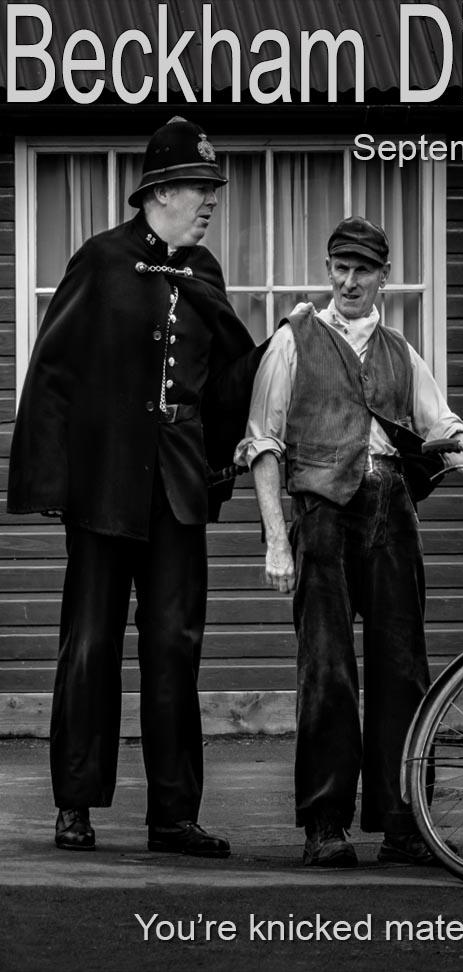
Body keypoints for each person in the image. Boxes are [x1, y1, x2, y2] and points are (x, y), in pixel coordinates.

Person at [7, 117, 267, 857]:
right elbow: (53, 373)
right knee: (90, 644)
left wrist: (278, 357)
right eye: (200, 188)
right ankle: (75, 804)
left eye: (214, 189)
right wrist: (53, 481)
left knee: (174, 648)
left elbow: (224, 381)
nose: (211, 201)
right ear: (160, 192)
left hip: (177, 490)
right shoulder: (101, 260)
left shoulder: (204, 270)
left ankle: (173, 817)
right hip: (103, 488)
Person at [234, 216, 463, 867]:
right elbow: (263, 443)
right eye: (340, 268)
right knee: (326, 671)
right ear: (329, 271)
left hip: (390, 511)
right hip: (321, 514)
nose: (349, 281)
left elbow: (441, 430)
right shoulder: (293, 340)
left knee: (402, 671)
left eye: (362, 270)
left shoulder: (399, 351)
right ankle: (324, 824)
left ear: (384, 276)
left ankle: (403, 823)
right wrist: (276, 541)